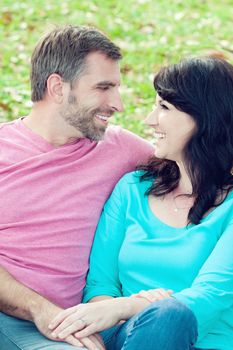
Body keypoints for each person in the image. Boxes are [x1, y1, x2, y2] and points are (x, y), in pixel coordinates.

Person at [48, 57, 233, 350]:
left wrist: (128, 306)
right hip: (128, 337)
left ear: (205, 117)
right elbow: (100, 286)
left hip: (206, 342)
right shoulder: (133, 189)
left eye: (164, 107)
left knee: (171, 315)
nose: (149, 120)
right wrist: (124, 310)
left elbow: (208, 298)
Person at [0, 25, 154, 350]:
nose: (118, 104)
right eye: (103, 87)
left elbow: (199, 166)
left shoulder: (121, 148)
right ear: (57, 87)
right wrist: (41, 310)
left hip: (76, 323)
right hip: (20, 316)